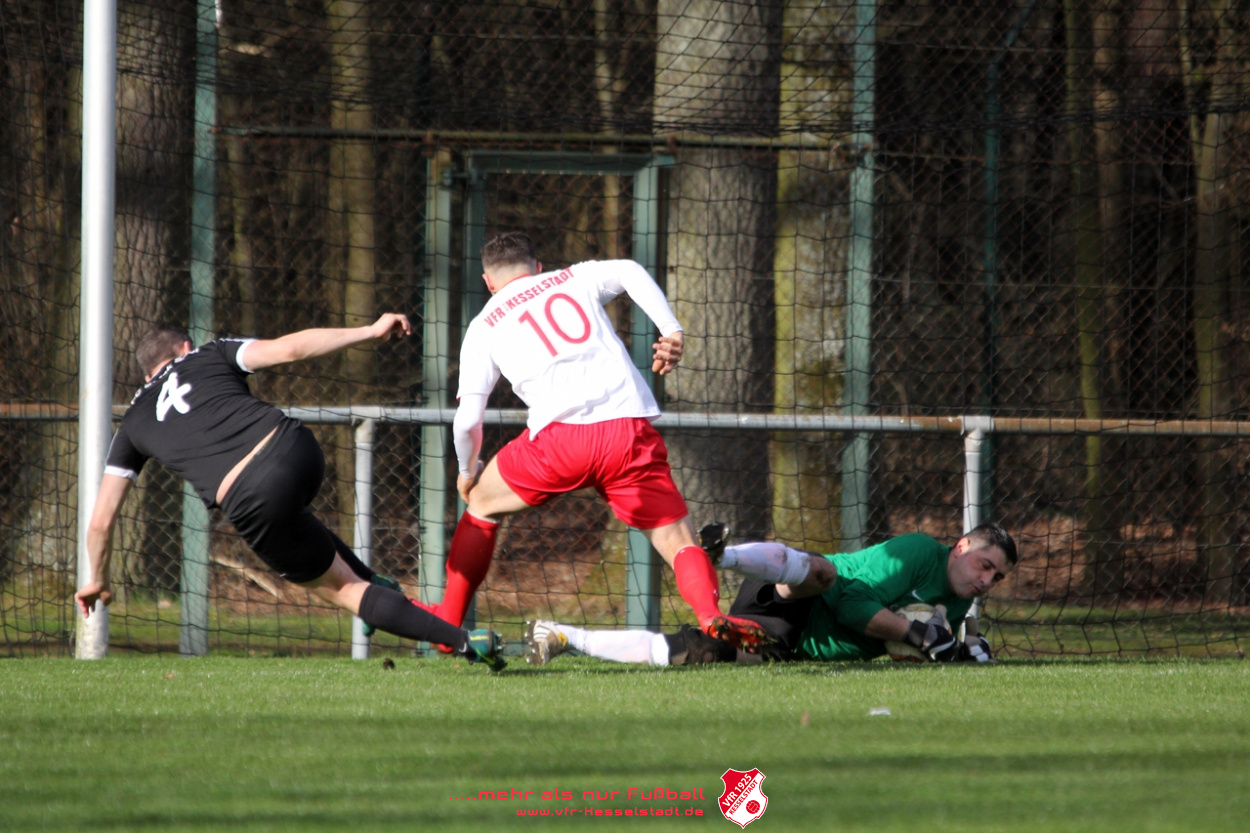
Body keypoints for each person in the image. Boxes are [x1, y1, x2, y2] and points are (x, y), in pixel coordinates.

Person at [74, 315, 506, 670]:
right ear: (185, 347)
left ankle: (464, 641)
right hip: (295, 449)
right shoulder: (210, 353)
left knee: (347, 592)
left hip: (251, 499)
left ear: (147, 373)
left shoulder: (132, 424)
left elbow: (100, 523)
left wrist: (97, 579)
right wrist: (369, 330)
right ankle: (377, 583)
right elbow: (292, 348)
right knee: (299, 522)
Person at [434, 232, 769, 650]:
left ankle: (446, 627)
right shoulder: (571, 278)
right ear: (537, 267)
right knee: (679, 542)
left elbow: (467, 421)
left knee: (482, 504)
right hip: (626, 433)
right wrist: (671, 330)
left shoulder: (484, 324)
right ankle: (709, 613)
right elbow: (628, 270)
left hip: (558, 443)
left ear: (488, 282)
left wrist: (467, 472)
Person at [525, 522, 1017, 667]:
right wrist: (916, 634)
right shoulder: (917, 553)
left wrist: (963, 649)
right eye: (985, 565)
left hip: (789, 640)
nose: (986, 580)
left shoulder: (958, 601)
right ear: (961, 546)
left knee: (699, 653)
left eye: (996, 577)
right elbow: (852, 607)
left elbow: (922, 644)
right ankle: (723, 557)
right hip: (798, 592)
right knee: (822, 573)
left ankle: (563, 636)